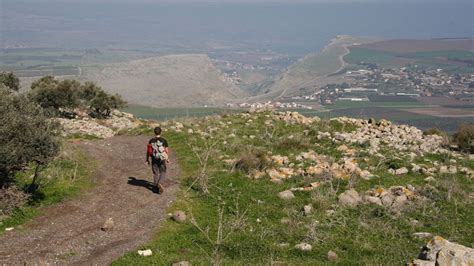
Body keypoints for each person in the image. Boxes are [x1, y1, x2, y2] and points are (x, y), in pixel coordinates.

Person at [146, 127, 169, 194]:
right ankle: (160, 183)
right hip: (161, 159)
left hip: (154, 159)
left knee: (155, 173)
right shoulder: (164, 140)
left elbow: (148, 151)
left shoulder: (151, 140)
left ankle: (156, 188)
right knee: (163, 172)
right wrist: (167, 158)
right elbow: (166, 150)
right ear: (160, 132)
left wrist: (147, 159)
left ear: (154, 132)